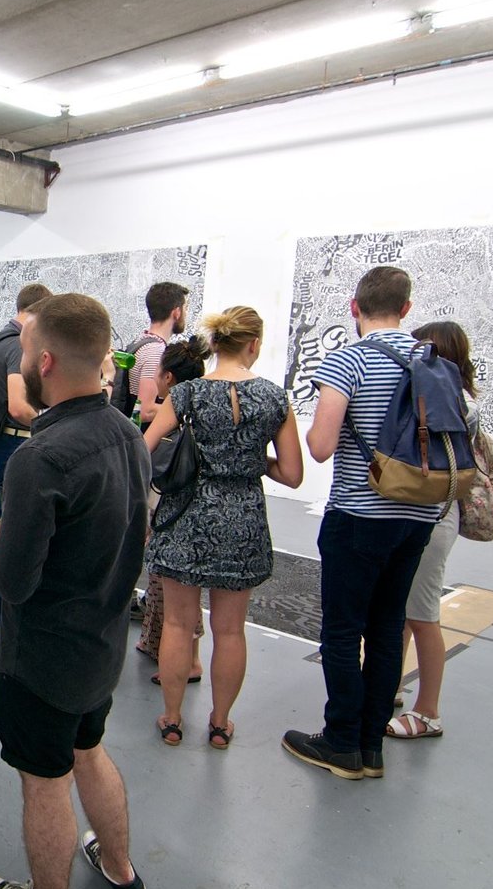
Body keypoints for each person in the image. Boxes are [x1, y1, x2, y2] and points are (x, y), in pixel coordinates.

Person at [0, 293, 152, 889]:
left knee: (45, 778)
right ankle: (120, 868)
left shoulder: (39, 459)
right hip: (101, 649)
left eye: (25, 352)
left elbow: (14, 582)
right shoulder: (129, 435)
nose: (21, 361)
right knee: (89, 750)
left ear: (45, 361)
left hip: (42, 662)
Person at [283, 265, 438, 780]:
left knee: (344, 631)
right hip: (418, 516)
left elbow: (321, 447)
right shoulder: (433, 360)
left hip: (360, 513)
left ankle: (341, 742)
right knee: (388, 628)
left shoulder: (349, 359)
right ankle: (372, 747)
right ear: (406, 308)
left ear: (354, 307)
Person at [142, 307, 303, 749]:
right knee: (231, 630)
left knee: (178, 624)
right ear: (255, 344)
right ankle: (218, 723)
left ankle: (172, 719)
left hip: (186, 514)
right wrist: (250, 460)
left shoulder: (187, 393)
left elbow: (144, 448)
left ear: (214, 344)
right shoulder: (274, 398)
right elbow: (292, 474)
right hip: (243, 517)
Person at [387, 321, 479, 739]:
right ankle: (391, 686)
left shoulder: (452, 402)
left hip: (433, 515)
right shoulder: (458, 399)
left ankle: (428, 711)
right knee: (406, 612)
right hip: (432, 512)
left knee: (422, 614)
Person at [0, 282, 52, 643]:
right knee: (10, 527)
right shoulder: (17, 345)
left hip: (3, 440)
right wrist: (56, 425)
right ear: (38, 310)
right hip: (16, 440)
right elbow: (19, 407)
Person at [137, 338, 214, 678]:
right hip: (198, 502)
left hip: (172, 504)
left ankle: (187, 661)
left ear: (168, 377)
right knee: (170, 583)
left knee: (173, 589)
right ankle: (160, 646)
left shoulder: (178, 402)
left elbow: (145, 447)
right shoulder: (209, 403)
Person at [125, 282, 188, 426]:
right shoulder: (155, 351)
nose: (186, 314)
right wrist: (187, 409)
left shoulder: (141, 341)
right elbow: (145, 411)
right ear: (177, 312)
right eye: (186, 308)